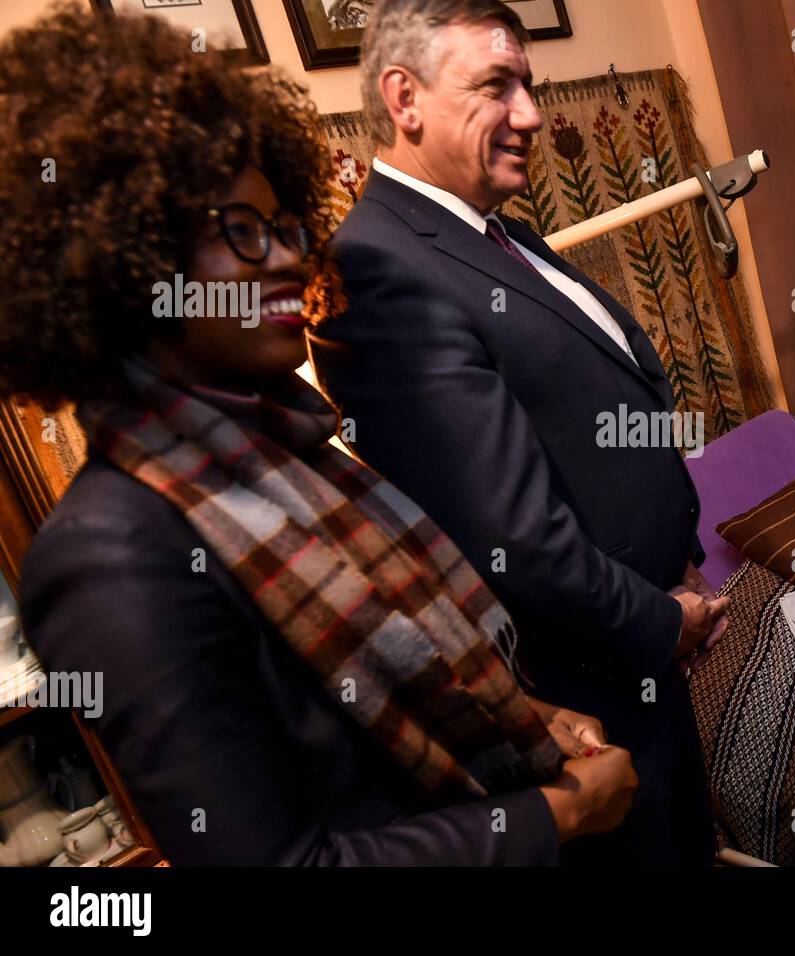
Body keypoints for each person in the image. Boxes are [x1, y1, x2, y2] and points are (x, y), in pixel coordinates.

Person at [0, 4, 635, 866]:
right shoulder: (109, 553)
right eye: (239, 231)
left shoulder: (293, 456)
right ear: (124, 259)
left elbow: (412, 698)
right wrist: (552, 817)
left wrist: (530, 723)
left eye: (287, 227)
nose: (287, 259)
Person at [309, 0, 724, 864]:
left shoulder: (495, 233)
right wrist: (658, 618)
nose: (531, 115)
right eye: (497, 86)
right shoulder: (379, 269)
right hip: (580, 706)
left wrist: (672, 561)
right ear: (405, 97)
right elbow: (512, 539)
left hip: (647, 660)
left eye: (527, 86)